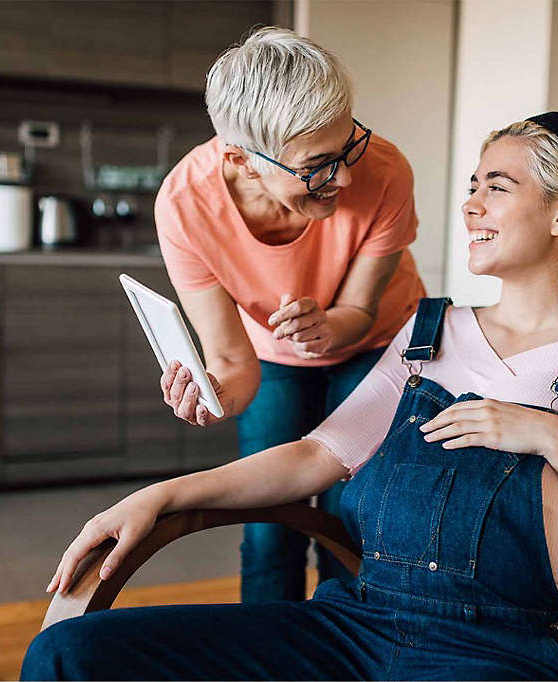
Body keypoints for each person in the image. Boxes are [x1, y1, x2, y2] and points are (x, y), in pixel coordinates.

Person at [22, 111, 558, 681]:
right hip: (357, 626)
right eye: (471, 187)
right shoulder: (433, 332)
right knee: (69, 655)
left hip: (498, 651)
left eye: (498, 187)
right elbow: (318, 456)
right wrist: (160, 496)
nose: (470, 206)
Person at [152, 26, 426, 603]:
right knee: (268, 522)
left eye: (350, 143)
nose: (346, 177)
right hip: (271, 352)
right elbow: (230, 360)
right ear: (241, 161)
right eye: (320, 164)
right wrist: (212, 394)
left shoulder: (386, 171)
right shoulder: (185, 206)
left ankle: (345, 647)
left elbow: (357, 308)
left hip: (380, 341)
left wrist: (329, 327)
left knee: (352, 516)